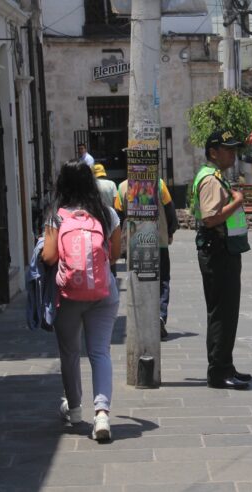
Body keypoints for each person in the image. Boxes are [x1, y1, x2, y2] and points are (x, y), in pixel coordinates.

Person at [41, 162, 121, 441]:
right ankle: (102, 415)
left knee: (70, 353)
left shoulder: (56, 216)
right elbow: (115, 255)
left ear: (62, 185)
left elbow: (50, 257)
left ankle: (74, 411)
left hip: (68, 295)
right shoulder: (106, 214)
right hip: (103, 293)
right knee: (100, 353)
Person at [191, 129, 252, 390]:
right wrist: (237, 201)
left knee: (227, 313)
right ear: (213, 152)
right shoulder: (210, 180)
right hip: (217, 251)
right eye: (228, 149)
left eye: (234, 149)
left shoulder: (217, 177)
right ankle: (218, 371)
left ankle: (225, 364)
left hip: (223, 250)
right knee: (222, 313)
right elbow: (210, 217)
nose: (233, 154)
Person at [114, 178, 178, 340]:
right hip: (159, 241)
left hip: (135, 243)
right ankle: (160, 316)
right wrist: (170, 231)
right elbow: (170, 210)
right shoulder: (160, 183)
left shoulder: (122, 187)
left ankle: (142, 319)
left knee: (137, 280)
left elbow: (118, 217)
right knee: (162, 280)